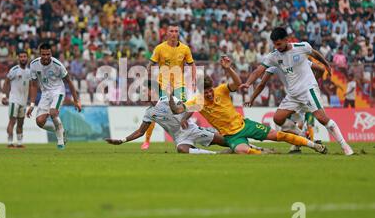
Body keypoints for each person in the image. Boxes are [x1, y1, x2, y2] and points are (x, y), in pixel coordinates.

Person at [168, 56, 327, 155]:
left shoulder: (222, 89)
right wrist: (170, 95)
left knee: (278, 136)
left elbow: (238, 83)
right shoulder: (197, 101)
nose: (209, 94)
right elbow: (177, 110)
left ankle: (314, 145)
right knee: (242, 151)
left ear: (212, 87)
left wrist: (228, 69)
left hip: (244, 125)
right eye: (205, 92)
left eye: (210, 91)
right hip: (231, 136)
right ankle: (262, 152)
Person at [241, 27, 354, 156]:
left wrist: (326, 64)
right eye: (274, 44)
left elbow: (315, 54)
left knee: (322, 119)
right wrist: (248, 83)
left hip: (307, 91)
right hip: (293, 94)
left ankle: (345, 146)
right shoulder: (274, 56)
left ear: (286, 40)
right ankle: (302, 136)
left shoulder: (301, 47)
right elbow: (258, 71)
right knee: (278, 118)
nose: (277, 47)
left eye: (279, 44)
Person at [105, 80, 272, 154]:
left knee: (227, 140)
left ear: (153, 91)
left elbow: (184, 107)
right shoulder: (149, 112)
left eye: (145, 90)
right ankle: (217, 155)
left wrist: (175, 104)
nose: (142, 93)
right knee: (182, 150)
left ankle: (256, 149)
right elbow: (140, 132)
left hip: (192, 129)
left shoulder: (167, 100)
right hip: (180, 137)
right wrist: (121, 141)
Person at [244, 59, 325, 154]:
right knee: (293, 124)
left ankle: (303, 143)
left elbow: (262, 83)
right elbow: (319, 69)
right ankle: (302, 142)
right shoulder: (287, 60)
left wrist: (252, 98)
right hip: (299, 96)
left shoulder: (292, 59)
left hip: (300, 96)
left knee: (293, 123)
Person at [141, 22, 196, 150]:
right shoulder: (160, 48)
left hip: (179, 85)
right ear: (166, 33)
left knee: (182, 111)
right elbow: (150, 63)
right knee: (155, 112)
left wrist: (193, 80)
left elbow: (192, 64)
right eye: (171, 31)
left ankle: (187, 138)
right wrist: (145, 78)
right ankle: (147, 141)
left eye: (176, 31)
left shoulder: (185, 49)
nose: (174, 34)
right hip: (162, 85)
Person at [26, 44, 82, 149]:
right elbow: (33, 84)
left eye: (48, 54)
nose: (46, 57)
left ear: (51, 54)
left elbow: (69, 82)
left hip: (58, 91)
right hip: (45, 93)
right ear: (40, 54)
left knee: (53, 113)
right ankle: (61, 130)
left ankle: (60, 141)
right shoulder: (34, 64)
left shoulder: (57, 65)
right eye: (43, 54)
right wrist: (32, 104)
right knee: (40, 122)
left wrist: (76, 100)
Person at [1, 51, 31, 148]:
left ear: (27, 58)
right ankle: (9, 143)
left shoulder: (29, 72)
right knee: (12, 121)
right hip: (14, 100)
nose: (23, 58)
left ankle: (19, 143)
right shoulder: (14, 70)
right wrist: (4, 96)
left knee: (21, 123)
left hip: (24, 101)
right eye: (21, 57)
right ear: (18, 58)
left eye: (24, 57)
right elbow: (6, 82)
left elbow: (31, 87)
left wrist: (31, 101)